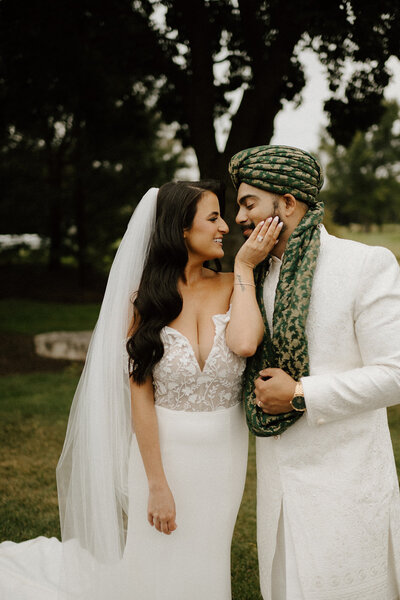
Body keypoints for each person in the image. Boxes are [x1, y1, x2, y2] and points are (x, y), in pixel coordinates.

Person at [0, 180, 282, 600]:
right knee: (157, 556)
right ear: (182, 230)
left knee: (207, 552)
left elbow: (244, 343)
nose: (225, 226)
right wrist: (156, 484)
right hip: (161, 453)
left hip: (223, 452)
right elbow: (140, 397)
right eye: (213, 217)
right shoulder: (144, 300)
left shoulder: (234, 285)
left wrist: (243, 268)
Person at [227, 145, 400, 600]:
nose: (240, 218)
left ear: (288, 201)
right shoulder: (255, 277)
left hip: (346, 478)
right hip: (279, 483)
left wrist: (302, 392)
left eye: (249, 203)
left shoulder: (365, 264)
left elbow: (396, 373)